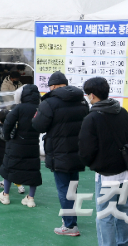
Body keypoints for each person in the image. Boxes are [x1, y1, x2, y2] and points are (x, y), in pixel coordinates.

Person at [78, 77, 128, 246]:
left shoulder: (92, 118)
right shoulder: (122, 111)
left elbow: (85, 150)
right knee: (123, 211)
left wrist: (94, 162)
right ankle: (125, 244)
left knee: (105, 215)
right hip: (124, 169)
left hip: (105, 174)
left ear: (92, 95)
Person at [32, 71, 89, 237]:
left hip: (58, 150)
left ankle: (70, 225)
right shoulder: (81, 100)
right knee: (72, 187)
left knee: (64, 188)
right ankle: (70, 219)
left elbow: (38, 125)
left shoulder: (49, 102)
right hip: (77, 150)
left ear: (54, 86)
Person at [0, 84, 42, 207]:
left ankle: (5, 195)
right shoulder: (40, 108)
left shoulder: (19, 108)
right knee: (33, 171)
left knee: (9, 169)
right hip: (33, 144)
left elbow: (8, 124)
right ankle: (30, 198)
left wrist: (7, 137)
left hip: (16, 144)